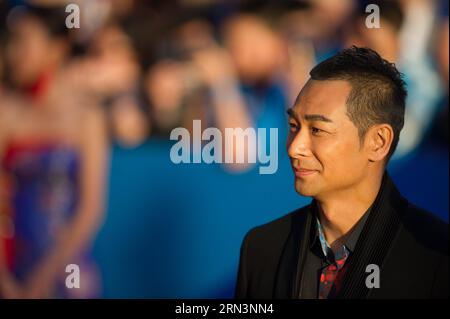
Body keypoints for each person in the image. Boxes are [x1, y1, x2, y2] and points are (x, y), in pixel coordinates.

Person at [235, 46, 448, 299]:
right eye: (293, 126)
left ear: (378, 141)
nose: (294, 147)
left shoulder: (435, 256)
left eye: (317, 130)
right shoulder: (262, 248)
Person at [0, 5, 108, 298]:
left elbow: (91, 210)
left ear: (56, 48)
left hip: (69, 269)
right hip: (12, 265)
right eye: (11, 43)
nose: (13, 53)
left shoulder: (87, 116)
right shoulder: (6, 111)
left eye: (24, 42)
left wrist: (43, 278)